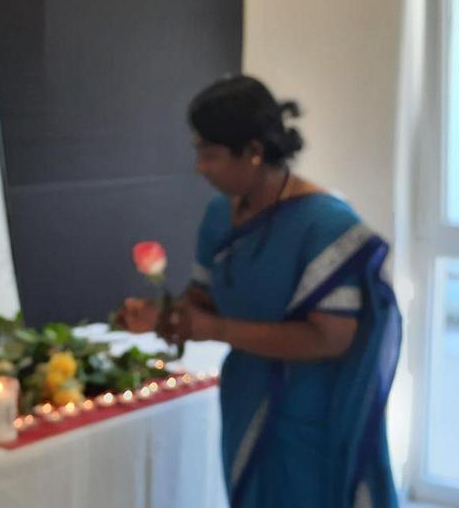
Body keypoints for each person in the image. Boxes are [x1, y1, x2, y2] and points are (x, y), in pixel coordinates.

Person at [118, 75, 401, 507]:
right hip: (246, 399)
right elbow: (204, 299)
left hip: (309, 417)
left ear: (253, 151)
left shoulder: (325, 225)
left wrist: (216, 329)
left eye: (210, 154)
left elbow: (332, 337)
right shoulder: (220, 215)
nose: (199, 167)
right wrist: (162, 315)